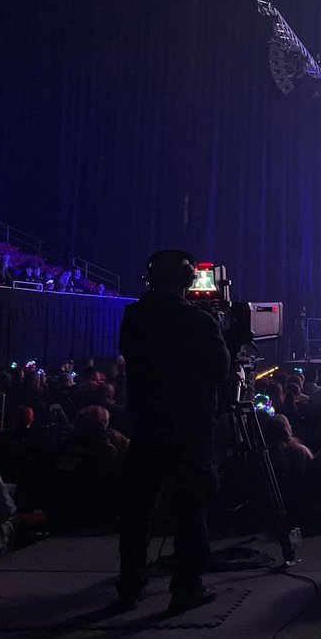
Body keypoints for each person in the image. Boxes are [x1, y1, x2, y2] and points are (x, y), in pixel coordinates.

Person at [116, 249, 230, 614]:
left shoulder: (134, 316)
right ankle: (187, 587)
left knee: (137, 510)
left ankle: (130, 586)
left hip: (147, 425)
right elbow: (220, 368)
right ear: (185, 279)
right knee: (190, 510)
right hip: (189, 429)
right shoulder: (196, 321)